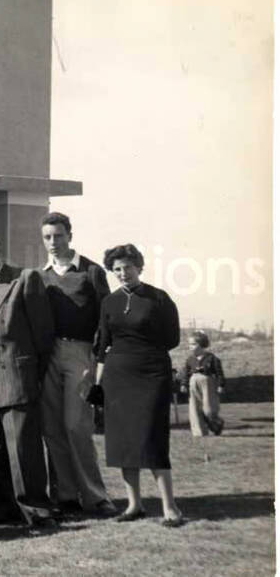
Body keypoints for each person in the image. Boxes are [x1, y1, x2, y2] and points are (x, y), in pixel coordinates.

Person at [0, 230, 57, 528]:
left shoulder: (24, 278)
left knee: (23, 449)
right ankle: (1, 510)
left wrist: (32, 374)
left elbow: (43, 336)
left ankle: (36, 509)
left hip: (17, 376)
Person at [93, 243, 183, 527]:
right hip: (117, 376)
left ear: (139, 267)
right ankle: (134, 505)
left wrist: (146, 352)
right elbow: (102, 346)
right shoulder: (109, 302)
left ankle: (170, 507)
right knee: (122, 442)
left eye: (127, 267)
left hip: (152, 373)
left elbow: (172, 339)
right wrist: (97, 384)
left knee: (153, 438)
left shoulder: (159, 299)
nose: (122, 273)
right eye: (117, 269)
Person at [37, 212, 117, 516]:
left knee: (76, 426)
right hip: (48, 355)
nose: (53, 242)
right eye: (47, 237)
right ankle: (66, 496)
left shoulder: (91, 271)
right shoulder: (39, 274)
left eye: (58, 235)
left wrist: (96, 362)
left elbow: (105, 319)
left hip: (80, 352)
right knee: (53, 428)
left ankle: (96, 496)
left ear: (69, 235)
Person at [179, 330, 225, 436]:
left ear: (202, 345)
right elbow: (186, 373)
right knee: (194, 407)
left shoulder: (212, 358)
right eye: (189, 344)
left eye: (193, 344)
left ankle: (216, 423)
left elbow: (219, 373)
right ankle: (199, 432)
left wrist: (221, 385)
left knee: (209, 408)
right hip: (193, 384)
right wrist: (183, 384)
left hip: (208, 383)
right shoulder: (190, 360)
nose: (190, 346)